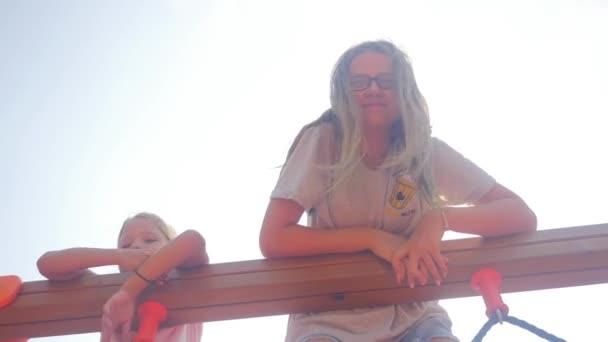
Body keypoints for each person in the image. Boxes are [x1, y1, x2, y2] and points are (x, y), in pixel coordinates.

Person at [259, 40, 537, 342]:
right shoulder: (323, 142)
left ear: (403, 91)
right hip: (327, 316)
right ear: (344, 93)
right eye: (360, 82)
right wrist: (373, 238)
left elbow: (519, 215)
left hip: (413, 315)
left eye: (387, 81)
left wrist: (438, 219)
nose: (374, 89)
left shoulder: (425, 153)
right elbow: (274, 237)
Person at [37, 212, 208, 342]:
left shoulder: (185, 282)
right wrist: (118, 256)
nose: (135, 245)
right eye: (126, 245)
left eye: (149, 240)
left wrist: (130, 291)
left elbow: (192, 240)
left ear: (170, 245)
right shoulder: (109, 294)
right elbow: (47, 264)